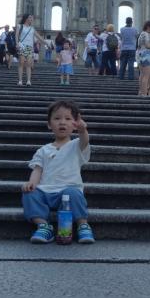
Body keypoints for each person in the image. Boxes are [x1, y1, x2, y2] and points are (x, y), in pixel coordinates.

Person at [21, 100, 95, 244]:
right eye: (57, 118)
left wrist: (82, 130)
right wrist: (32, 183)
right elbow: (37, 169)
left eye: (68, 119)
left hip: (68, 190)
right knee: (29, 193)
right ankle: (43, 225)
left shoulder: (76, 146)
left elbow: (85, 141)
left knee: (74, 194)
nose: (62, 122)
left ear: (74, 123)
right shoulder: (43, 150)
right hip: (46, 191)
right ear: (49, 124)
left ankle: (83, 225)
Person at [16, 14, 45, 86]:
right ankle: (20, 80)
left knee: (29, 64)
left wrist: (46, 43)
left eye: (32, 18)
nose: (32, 19)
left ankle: (28, 81)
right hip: (22, 46)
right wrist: (17, 44)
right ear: (26, 18)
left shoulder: (32, 28)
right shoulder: (20, 26)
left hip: (30, 47)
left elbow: (39, 37)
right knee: (21, 63)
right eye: (30, 18)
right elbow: (16, 35)